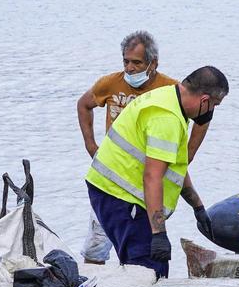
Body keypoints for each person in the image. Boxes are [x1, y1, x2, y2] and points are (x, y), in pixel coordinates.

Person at [85, 66, 227, 278]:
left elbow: (174, 167)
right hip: (121, 196)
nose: (211, 112)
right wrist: (158, 234)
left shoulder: (170, 98)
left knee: (148, 267)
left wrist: (197, 206)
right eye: (214, 105)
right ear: (204, 100)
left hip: (113, 191)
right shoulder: (166, 118)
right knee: (148, 272)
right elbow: (152, 177)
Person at [76, 31, 193, 265]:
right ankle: (94, 284)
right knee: (96, 245)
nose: (130, 68)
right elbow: (84, 105)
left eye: (137, 63)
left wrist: (187, 155)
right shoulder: (110, 83)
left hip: (150, 176)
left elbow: (202, 116)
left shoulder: (171, 89)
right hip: (115, 174)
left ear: (153, 64)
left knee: (142, 239)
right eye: (126, 61)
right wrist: (91, 145)